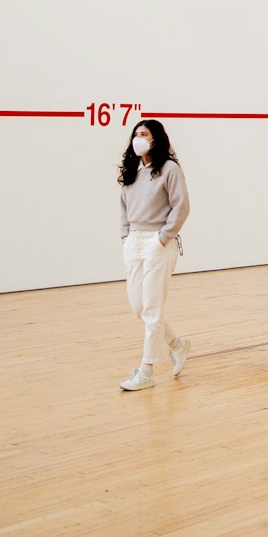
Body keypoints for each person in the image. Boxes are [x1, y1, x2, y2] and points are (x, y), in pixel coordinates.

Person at [118, 119, 191, 390]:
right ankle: (176, 344)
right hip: (133, 242)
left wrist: (162, 238)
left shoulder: (169, 169)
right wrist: (126, 235)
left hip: (158, 242)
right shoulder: (132, 171)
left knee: (152, 308)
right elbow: (124, 207)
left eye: (144, 133)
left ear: (156, 138)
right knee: (140, 307)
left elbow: (181, 207)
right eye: (136, 133)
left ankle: (146, 370)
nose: (138, 138)